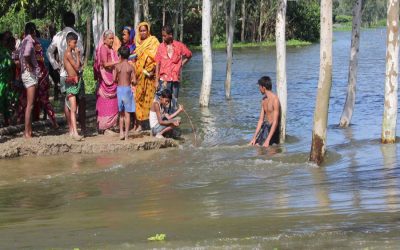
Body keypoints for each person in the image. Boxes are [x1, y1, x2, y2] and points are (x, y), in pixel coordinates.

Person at [47, 11, 86, 134]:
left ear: (63, 22)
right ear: (74, 21)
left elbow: (49, 51)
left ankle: (71, 128)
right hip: (75, 73)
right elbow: (81, 52)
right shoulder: (76, 36)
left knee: (67, 100)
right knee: (81, 99)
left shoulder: (58, 36)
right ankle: (82, 127)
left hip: (63, 73)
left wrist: (56, 66)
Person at [155, 24, 192, 112]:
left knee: (174, 103)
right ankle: (161, 122)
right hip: (163, 80)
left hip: (175, 80)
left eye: (165, 35)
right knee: (161, 102)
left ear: (170, 35)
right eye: (162, 35)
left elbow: (189, 55)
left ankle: (172, 121)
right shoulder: (160, 47)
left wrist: (181, 64)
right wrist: (156, 80)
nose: (163, 38)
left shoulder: (179, 46)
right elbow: (157, 64)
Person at [134, 22, 160, 131]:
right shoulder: (137, 43)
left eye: (144, 30)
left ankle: (151, 124)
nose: (143, 32)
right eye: (141, 30)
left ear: (148, 30)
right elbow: (135, 58)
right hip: (139, 75)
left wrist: (151, 69)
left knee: (150, 100)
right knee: (138, 98)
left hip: (150, 75)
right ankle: (139, 124)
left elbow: (157, 58)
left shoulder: (154, 41)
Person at [94, 30, 119, 133]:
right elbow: (105, 64)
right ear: (104, 39)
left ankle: (110, 125)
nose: (112, 40)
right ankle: (104, 126)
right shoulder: (103, 48)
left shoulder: (111, 49)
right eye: (110, 38)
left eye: (113, 38)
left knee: (113, 103)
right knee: (104, 102)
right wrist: (118, 62)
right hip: (106, 80)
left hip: (112, 78)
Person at [32, 30, 58, 128]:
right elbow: (53, 51)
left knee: (34, 98)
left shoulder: (34, 44)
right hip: (46, 71)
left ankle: (36, 118)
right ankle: (49, 118)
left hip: (38, 74)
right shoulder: (46, 42)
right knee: (44, 97)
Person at [19, 22, 40, 138]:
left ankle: (29, 131)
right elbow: (27, 55)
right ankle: (27, 133)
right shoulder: (29, 41)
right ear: (33, 31)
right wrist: (30, 65)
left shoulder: (24, 41)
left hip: (26, 73)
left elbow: (19, 55)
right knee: (30, 105)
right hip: (29, 74)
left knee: (30, 105)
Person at [249, 76, 280, 148]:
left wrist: (268, 140)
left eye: (259, 87)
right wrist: (254, 137)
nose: (259, 89)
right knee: (255, 145)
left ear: (263, 87)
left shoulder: (275, 100)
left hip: (273, 129)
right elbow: (260, 120)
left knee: (265, 149)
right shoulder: (263, 100)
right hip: (265, 127)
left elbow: (275, 122)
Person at [113, 46, 137, 140]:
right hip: (127, 90)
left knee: (121, 113)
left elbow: (114, 79)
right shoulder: (131, 67)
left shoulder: (117, 66)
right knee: (127, 114)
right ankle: (127, 134)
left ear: (120, 56)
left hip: (119, 90)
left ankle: (121, 133)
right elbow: (134, 81)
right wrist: (133, 82)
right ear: (129, 55)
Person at [63, 32, 83, 141]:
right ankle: (75, 132)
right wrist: (78, 55)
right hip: (71, 82)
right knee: (73, 108)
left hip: (74, 82)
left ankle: (72, 131)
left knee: (73, 108)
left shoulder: (69, 53)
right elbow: (76, 67)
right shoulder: (69, 54)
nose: (75, 45)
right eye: (74, 42)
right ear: (69, 42)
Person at [0, 32, 15, 126]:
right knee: (2, 100)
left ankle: (7, 121)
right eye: (5, 39)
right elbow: (9, 63)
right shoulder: (2, 51)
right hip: (1, 79)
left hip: (7, 79)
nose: (7, 41)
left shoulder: (7, 50)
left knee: (6, 101)